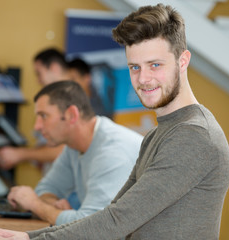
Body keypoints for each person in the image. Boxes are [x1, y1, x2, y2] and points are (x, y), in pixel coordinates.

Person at [0, 4, 229, 239]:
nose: (143, 79)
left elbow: (118, 220)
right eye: (135, 67)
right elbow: (112, 212)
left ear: (182, 61)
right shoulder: (159, 134)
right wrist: (27, 237)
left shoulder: (194, 136)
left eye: (155, 65)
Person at [7, 80, 142, 226]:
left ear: (72, 115)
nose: (37, 126)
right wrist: (52, 205)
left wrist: (35, 205)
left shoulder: (113, 153)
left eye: (44, 116)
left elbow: (92, 227)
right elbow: (46, 188)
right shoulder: (73, 146)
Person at [0, 49, 110, 170]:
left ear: (54, 68)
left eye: (39, 73)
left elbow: (65, 150)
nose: (38, 80)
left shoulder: (77, 100)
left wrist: (20, 154)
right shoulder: (53, 98)